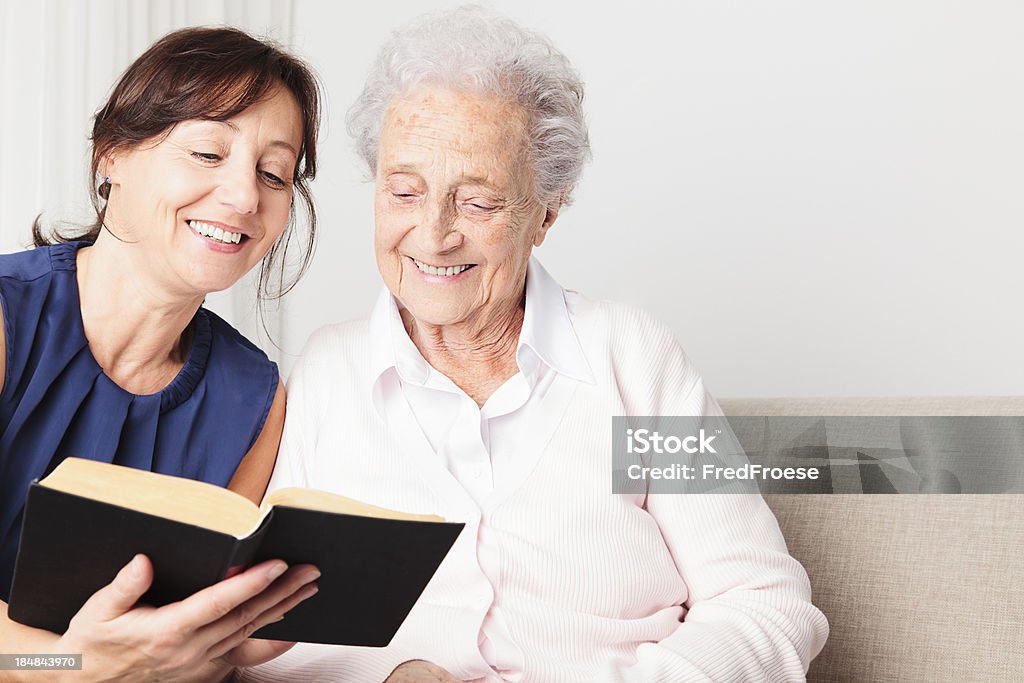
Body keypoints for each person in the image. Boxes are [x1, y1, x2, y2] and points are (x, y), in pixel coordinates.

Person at [246, 7, 828, 682]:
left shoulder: (632, 357)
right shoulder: (329, 373)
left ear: (546, 211)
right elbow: (268, 640)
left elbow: (764, 603)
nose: (433, 234)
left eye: (478, 202)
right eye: (404, 191)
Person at [0, 27, 323, 681]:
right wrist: (62, 666)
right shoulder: (7, 323)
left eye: (273, 173)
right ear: (111, 153)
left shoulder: (255, 398)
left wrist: (233, 637)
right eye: (208, 152)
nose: (244, 196)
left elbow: (187, 650)